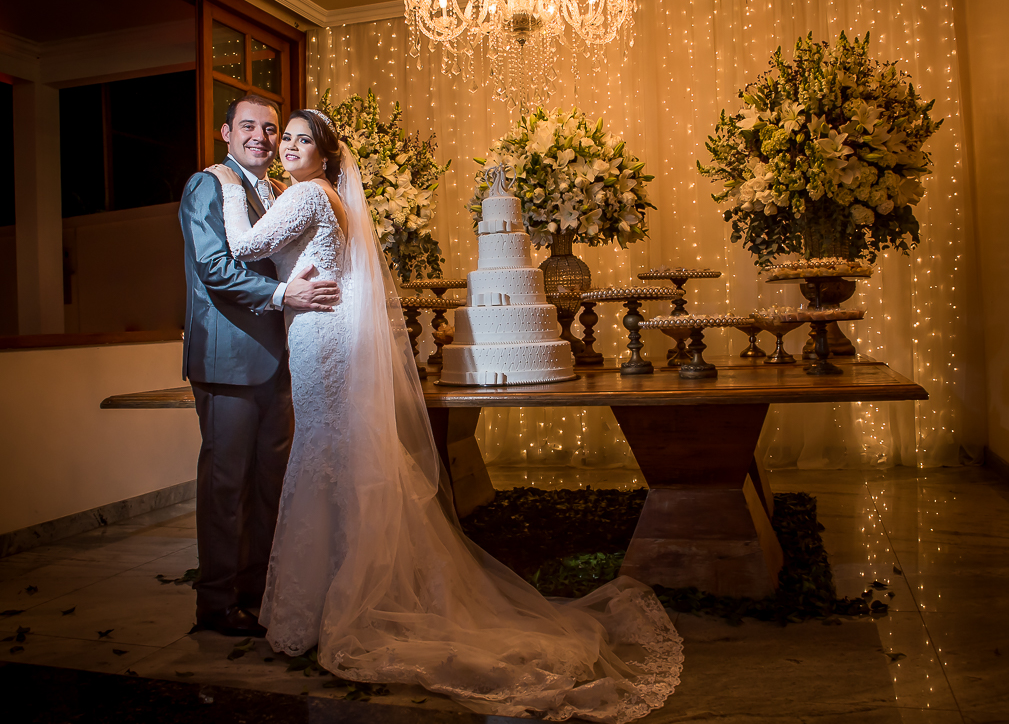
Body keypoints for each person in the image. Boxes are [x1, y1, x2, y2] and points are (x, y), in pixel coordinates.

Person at [207, 109, 682, 722]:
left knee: (324, 457)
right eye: (286, 139)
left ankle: (334, 606)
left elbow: (243, 246)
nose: (290, 148)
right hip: (322, 334)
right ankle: (338, 596)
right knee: (335, 459)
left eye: (303, 140)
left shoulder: (303, 195)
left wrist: (224, 185)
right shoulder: (324, 194)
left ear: (326, 154)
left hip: (320, 338)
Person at [179, 95, 339, 637]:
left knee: (272, 482)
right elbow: (215, 267)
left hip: (282, 360)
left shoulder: (279, 190)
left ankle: (258, 588)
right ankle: (216, 602)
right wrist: (282, 294)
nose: (263, 137)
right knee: (227, 485)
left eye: (272, 129)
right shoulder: (207, 185)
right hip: (228, 360)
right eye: (249, 126)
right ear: (225, 132)